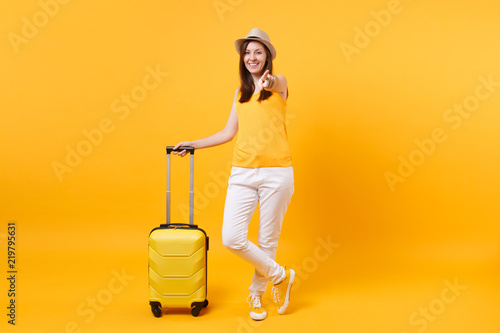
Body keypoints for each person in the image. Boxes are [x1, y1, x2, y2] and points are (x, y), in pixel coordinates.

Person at [172, 28, 294, 321]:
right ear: (243, 59)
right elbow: (229, 132)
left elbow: (277, 81)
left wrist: (270, 81)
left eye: (258, 52)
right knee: (231, 237)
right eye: (248, 53)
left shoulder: (279, 85)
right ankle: (281, 276)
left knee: (268, 239)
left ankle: (256, 294)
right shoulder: (240, 93)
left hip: (277, 172)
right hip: (243, 172)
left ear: (267, 58)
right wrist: (193, 144)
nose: (252, 57)